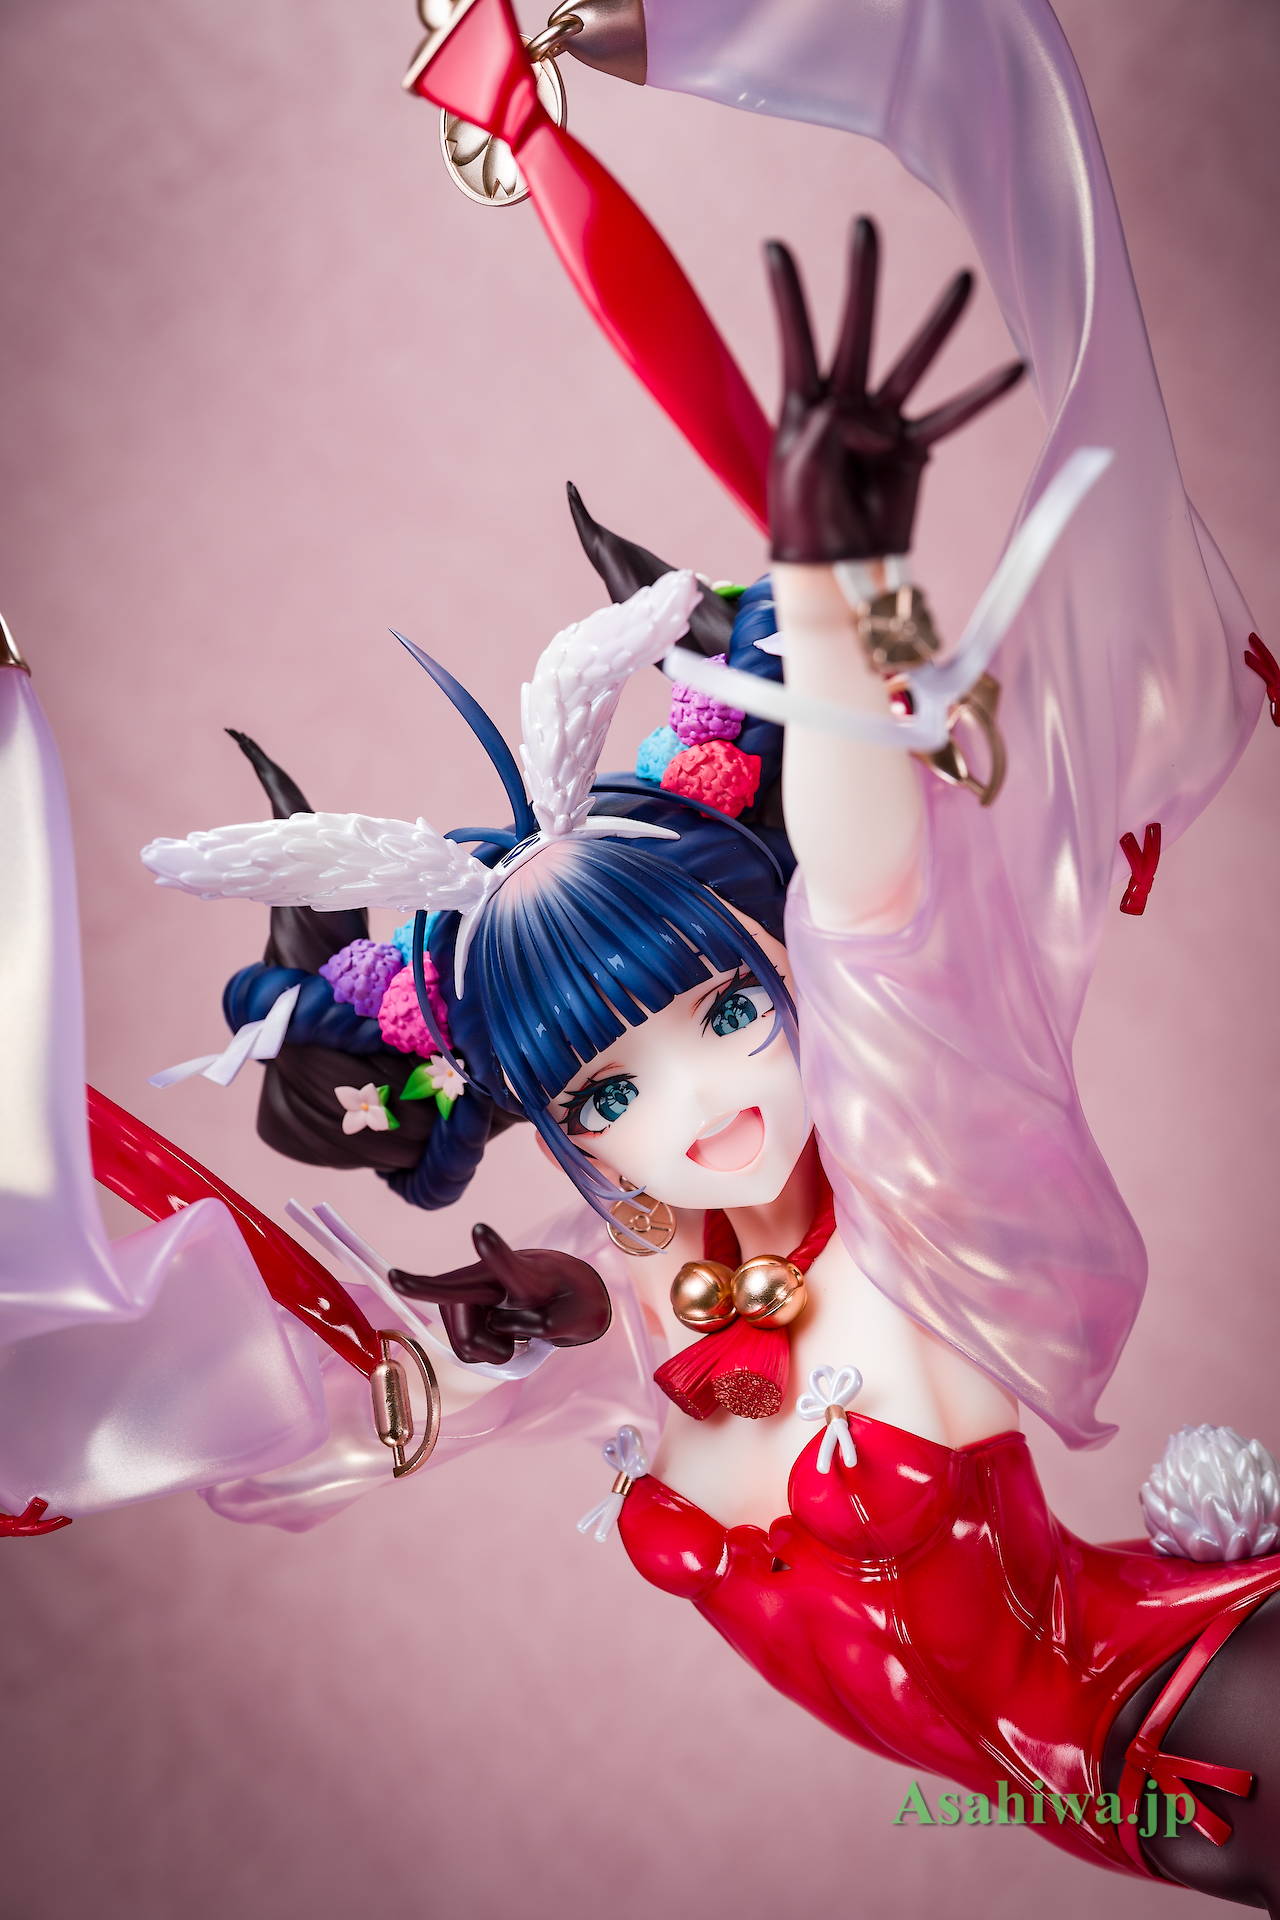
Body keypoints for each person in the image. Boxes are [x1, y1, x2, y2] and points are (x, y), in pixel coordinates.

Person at [133, 211, 1280, 1904]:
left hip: (1184, 1700)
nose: (705, 1101)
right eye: (606, 1095)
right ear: (557, 1128)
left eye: (731, 1011)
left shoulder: (915, 1186)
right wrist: (554, 1311)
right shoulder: (645, 1294)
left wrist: (837, 591)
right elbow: (457, 1374)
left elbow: (874, 891)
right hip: (1093, 1810)